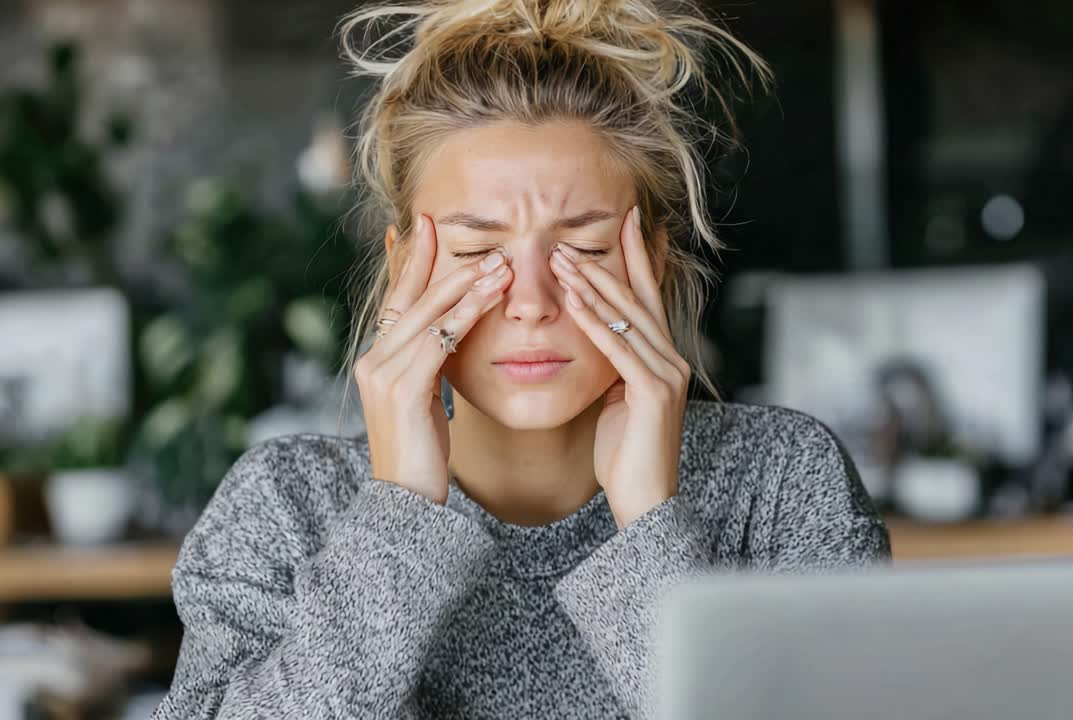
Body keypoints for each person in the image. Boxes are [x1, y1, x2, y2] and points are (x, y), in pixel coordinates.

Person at [151, 1, 891, 718]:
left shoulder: (783, 481)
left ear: (653, 261)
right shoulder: (285, 505)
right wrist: (399, 516)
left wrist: (650, 526)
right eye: (476, 252)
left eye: (585, 249)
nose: (531, 300)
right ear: (403, 266)